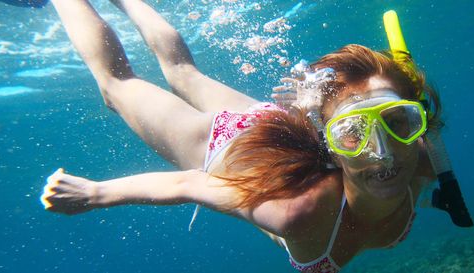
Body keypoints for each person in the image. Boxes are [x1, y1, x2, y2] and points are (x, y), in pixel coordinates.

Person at [40, 0, 442, 271]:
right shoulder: (297, 213)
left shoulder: (424, 156)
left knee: (184, 73)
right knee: (116, 85)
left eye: (398, 121)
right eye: (352, 132)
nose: (383, 152)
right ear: (330, 148)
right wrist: (96, 193)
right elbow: (191, 182)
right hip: (219, 146)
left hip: (271, 127)